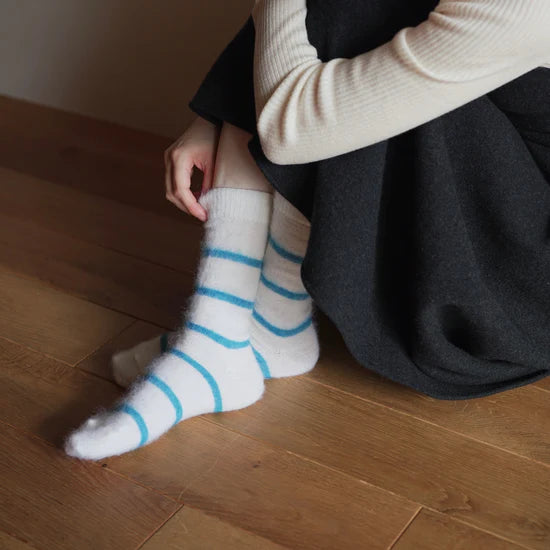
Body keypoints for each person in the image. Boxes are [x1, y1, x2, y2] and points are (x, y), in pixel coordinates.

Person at [65, 0, 550, 460]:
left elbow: (289, 124)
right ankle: (246, 327)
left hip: (519, 300)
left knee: (345, 32)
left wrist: (226, 107)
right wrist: (211, 117)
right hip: (485, 220)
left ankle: (222, 335)